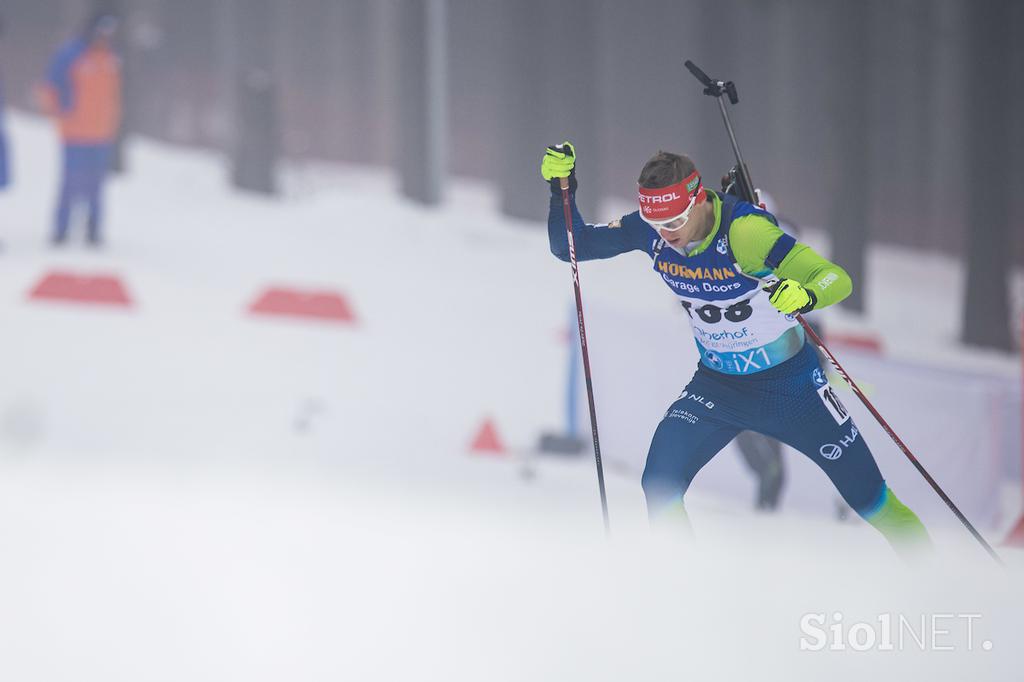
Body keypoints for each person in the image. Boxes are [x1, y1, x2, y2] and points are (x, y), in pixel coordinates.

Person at [541, 142, 929, 556]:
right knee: (659, 481)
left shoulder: (746, 232)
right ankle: (684, 588)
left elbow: (836, 278)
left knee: (871, 500)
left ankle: (938, 580)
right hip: (717, 388)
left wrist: (805, 294)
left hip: (792, 389)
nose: (666, 233)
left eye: (674, 219)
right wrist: (561, 190)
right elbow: (571, 247)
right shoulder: (651, 228)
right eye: (656, 223)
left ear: (698, 200)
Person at [39, 12, 121, 246]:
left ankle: (93, 230)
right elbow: (49, 87)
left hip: (100, 134)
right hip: (75, 133)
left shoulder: (110, 59)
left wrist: (112, 123)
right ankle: (61, 229)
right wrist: (62, 112)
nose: (104, 38)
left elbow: (113, 96)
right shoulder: (71, 54)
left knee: (96, 185)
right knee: (71, 182)